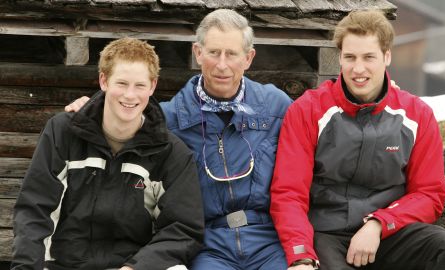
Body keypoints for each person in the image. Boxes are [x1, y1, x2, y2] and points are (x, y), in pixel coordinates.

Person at [65, 9, 291, 270]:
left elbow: (316, 123)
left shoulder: (276, 106)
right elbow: (122, 116)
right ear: (198, 53)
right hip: (208, 243)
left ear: (248, 58)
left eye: (232, 54)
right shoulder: (168, 118)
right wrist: (90, 106)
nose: (222, 64)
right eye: (214, 52)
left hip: (268, 239)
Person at [270, 10, 445, 270]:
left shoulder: (417, 115)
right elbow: (289, 194)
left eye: (369, 57)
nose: (358, 69)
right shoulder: (307, 110)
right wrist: (300, 255)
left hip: (390, 233)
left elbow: (429, 194)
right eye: (350, 57)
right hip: (326, 235)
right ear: (340, 58)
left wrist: (379, 224)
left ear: (387, 56)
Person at [12, 37, 204, 270]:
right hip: (64, 263)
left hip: (133, 266)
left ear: (153, 86)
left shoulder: (172, 153)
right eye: (121, 83)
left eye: (140, 85)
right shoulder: (62, 132)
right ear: (104, 80)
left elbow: (182, 230)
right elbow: (34, 207)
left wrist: (135, 267)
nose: (130, 95)